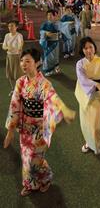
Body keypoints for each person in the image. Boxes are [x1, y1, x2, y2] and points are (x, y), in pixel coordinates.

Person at [3, 48, 75, 196]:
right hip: (25, 127)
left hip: (39, 128)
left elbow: (52, 98)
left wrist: (64, 108)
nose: (23, 64)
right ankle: (31, 184)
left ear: (37, 63)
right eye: (22, 61)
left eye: (28, 61)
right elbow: (14, 105)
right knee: (26, 157)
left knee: (35, 159)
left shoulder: (44, 83)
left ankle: (46, 178)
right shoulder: (20, 82)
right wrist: (10, 132)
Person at [2, 20, 24, 96]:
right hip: (9, 56)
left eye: (12, 26)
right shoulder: (7, 35)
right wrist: (9, 48)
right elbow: (4, 46)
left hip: (17, 56)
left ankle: (20, 90)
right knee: (10, 74)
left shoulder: (19, 35)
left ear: (16, 27)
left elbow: (20, 47)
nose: (10, 28)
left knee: (18, 75)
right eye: (9, 26)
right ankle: (13, 89)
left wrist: (11, 48)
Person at [39, 10, 61, 76]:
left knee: (55, 56)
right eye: (48, 15)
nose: (49, 16)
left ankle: (55, 67)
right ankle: (48, 70)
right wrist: (45, 33)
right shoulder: (45, 24)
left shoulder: (57, 24)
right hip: (48, 43)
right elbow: (41, 31)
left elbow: (60, 31)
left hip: (55, 42)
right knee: (48, 57)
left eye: (51, 15)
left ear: (54, 16)